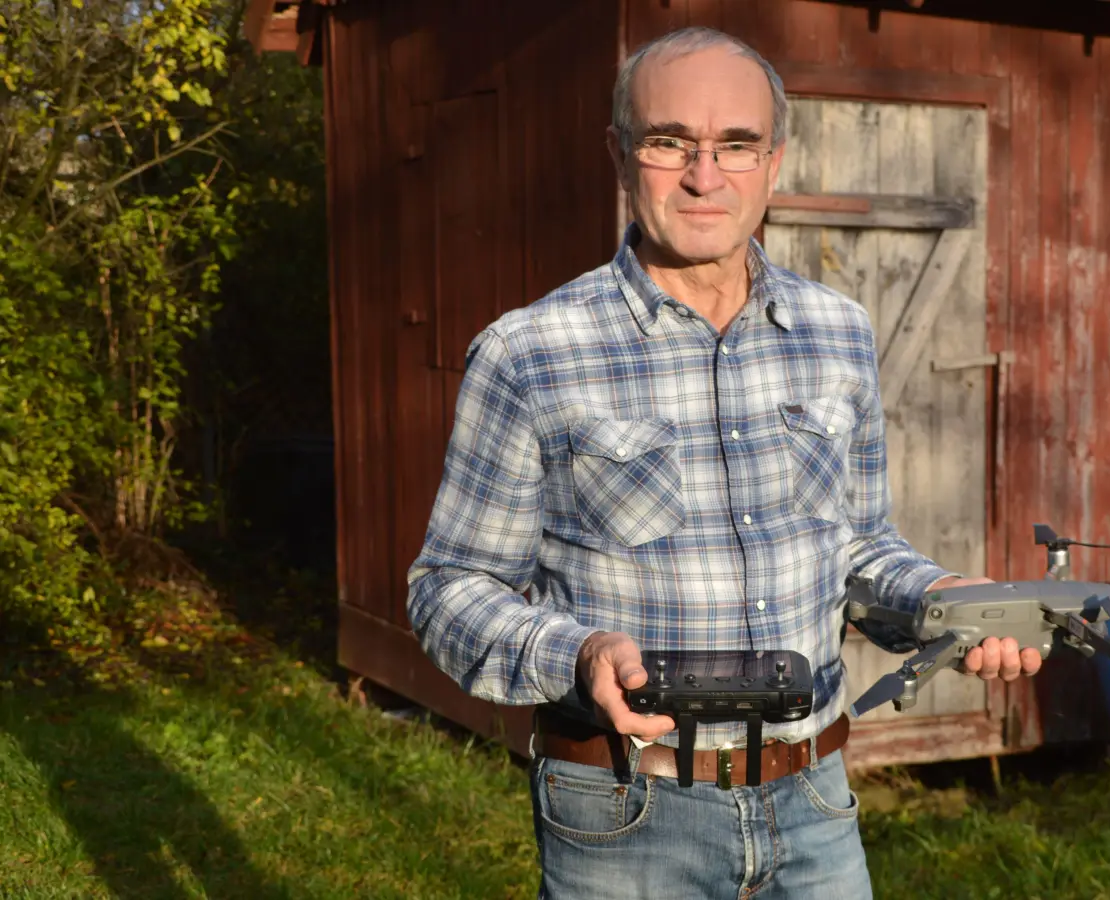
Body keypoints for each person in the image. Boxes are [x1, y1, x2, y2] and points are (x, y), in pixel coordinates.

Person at [405, 25, 1043, 899]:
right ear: (620, 155)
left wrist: (943, 601)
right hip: (625, 811)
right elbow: (450, 589)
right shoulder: (531, 353)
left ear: (774, 162)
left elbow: (857, 547)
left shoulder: (837, 333)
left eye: (737, 145)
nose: (705, 177)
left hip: (815, 804)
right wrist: (577, 653)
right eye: (670, 142)